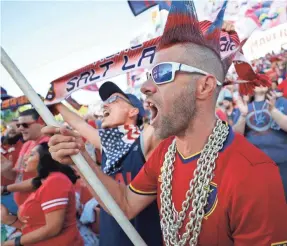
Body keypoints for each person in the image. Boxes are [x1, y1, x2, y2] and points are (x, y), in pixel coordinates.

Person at [44, 1, 287, 245]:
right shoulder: (165, 154)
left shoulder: (255, 173)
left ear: (204, 86)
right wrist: (81, 158)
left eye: (162, 73)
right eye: (149, 76)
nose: (145, 88)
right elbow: (126, 204)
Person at [45, 82, 163, 246]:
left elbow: (163, 116)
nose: (105, 104)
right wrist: (55, 103)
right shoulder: (109, 143)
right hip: (110, 235)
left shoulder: (146, 138)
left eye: (114, 99)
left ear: (133, 111)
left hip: (142, 237)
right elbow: (79, 124)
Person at [2, 142, 83, 246]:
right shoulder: (47, 180)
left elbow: (52, 229)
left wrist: (13, 243)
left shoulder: (55, 181)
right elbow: (33, 182)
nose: (25, 157)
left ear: (45, 159)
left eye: (31, 155)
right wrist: (8, 219)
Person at [1, 109, 49, 208]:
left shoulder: (48, 144)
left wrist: (5, 188)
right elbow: (18, 176)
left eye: (25, 125)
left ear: (41, 122)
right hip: (24, 206)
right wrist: (7, 170)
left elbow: (41, 180)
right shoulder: (28, 143)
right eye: (19, 125)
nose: (20, 129)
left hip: (41, 206)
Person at [1, 119, 23, 215]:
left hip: (15, 194)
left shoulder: (24, 146)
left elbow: (17, 175)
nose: (12, 130)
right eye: (10, 127)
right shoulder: (2, 146)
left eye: (17, 127)